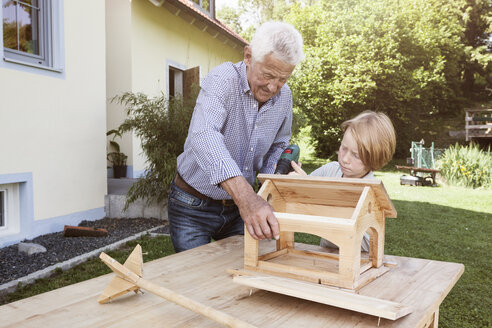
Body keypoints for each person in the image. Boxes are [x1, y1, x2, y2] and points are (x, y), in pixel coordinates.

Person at [168, 22, 304, 253]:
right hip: (192, 205)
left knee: (244, 277)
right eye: (268, 75)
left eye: (283, 78)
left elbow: (279, 144)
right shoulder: (222, 80)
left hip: (238, 210)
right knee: (196, 280)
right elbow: (204, 135)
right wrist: (248, 199)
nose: (273, 87)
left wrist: (272, 182)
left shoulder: (284, 97)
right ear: (248, 56)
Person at [290, 110, 396, 251]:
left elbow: (354, 236)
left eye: (356, 155)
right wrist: (293, 181)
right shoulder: (330, 171)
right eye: (343, 148)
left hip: (359, 260)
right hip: (327, 254)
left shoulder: (372, 191)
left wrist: (311, 192)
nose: (345, 159)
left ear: (374, 159)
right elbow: (302, 197)